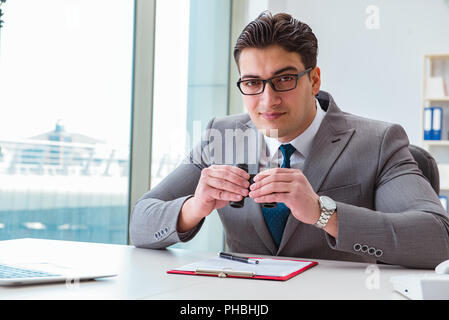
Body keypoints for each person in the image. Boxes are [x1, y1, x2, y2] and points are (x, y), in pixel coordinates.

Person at [129, 12, 449, 269]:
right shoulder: (221, 137)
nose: (268, 101)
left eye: (284, 79)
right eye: (253, 82)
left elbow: (437, 240)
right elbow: (141, 223)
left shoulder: (378, 142)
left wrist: (323, 213)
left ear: (314, 80)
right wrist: (194, 207)